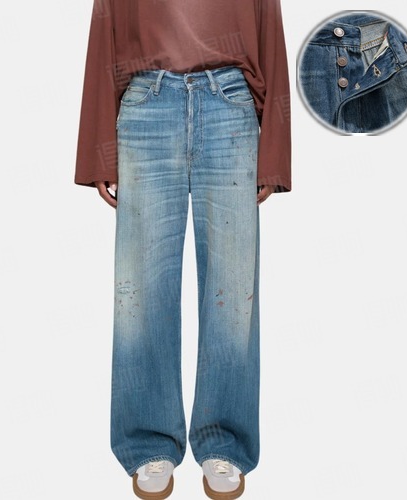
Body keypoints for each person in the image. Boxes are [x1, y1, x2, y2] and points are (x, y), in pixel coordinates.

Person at [74, 1, 291, 498]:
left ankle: (225, 441)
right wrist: (96, 151)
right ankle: (148, 441)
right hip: (147, 105)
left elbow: (270, 29)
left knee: (233, 289)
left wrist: (275, 153)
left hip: (230, 105)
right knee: (141, 289)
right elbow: (105, 27)